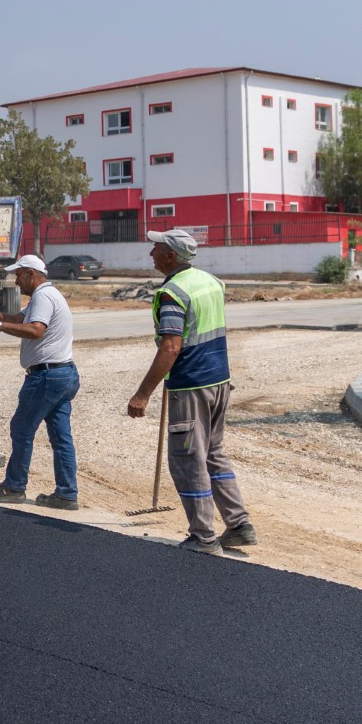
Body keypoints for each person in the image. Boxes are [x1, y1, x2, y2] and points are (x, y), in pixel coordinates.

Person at [124, 229, 257, 552]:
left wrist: (143, 394)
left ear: (171, 255)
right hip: (219, 381)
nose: (151, 254)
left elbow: (170, 347)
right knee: (213, 453)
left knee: (188, 460)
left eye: (156, 248)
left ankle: (203, 535)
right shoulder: (211, 282)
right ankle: (238, 524)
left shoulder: (174, 293)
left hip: (192, 384)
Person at [0, 254, 80, 509]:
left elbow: (35, 330)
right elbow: (21, 320)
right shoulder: (47, 295)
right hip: (64, 374)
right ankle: (67, 494)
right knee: (60, 436)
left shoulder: (43, 296)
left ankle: (14, 487)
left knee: (21, 429)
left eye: (18, 275)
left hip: (46, 376)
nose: (16, 281)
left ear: (31, 274)